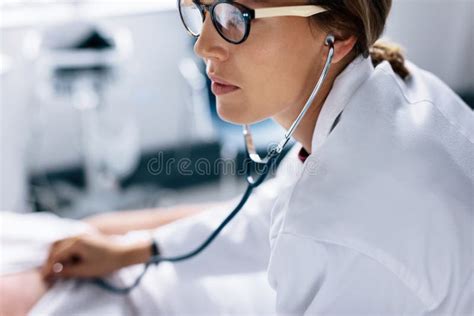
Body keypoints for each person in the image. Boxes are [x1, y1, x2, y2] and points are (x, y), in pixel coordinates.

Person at [5, 0, 474, 314]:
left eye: (236, 18)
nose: (203, 45)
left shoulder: (342, 228)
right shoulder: (396, 88)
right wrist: (141, 249)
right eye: (203, 11)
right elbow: (280, 210)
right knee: (98, 234)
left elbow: (312, 226)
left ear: (337, 35)